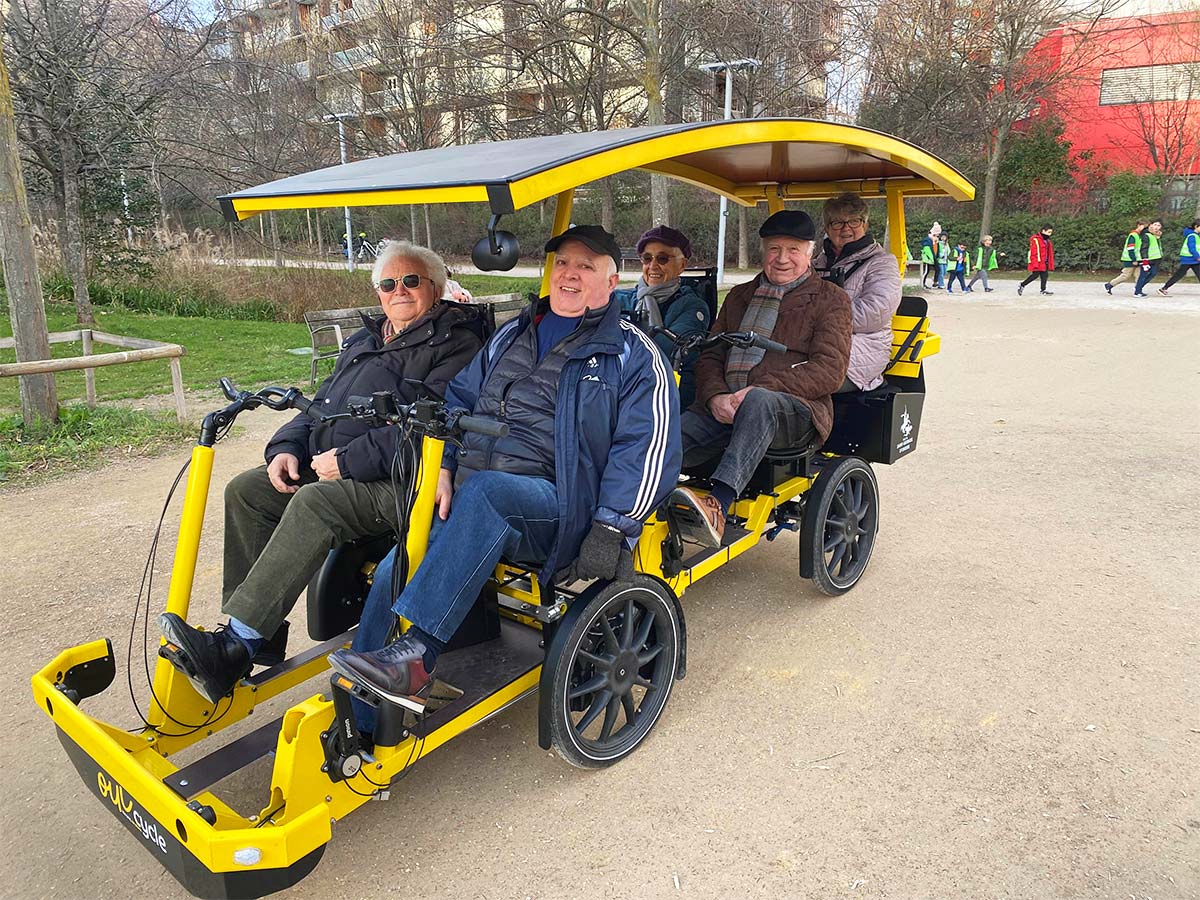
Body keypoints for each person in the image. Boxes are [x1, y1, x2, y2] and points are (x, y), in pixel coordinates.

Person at [327, 225, 681, 719]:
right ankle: (358, 713)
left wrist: (612, 527)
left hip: (560, 506)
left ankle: (419, 656)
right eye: (562, 264)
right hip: (474, 497)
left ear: (611, 279)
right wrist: (445, 468)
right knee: (397, 565)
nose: (570, 275)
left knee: (489, 493)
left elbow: (646, 449)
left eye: (585, 266)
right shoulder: (514, 334)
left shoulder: (633, 355)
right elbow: (456, 402)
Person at [157, 242, 485, 704]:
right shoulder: (366, 339)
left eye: (411, 281)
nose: (399, 291)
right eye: (389, 284)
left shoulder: (457, 344)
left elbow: (430, 424)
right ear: (378, 294)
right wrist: (287, 447)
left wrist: (348, 462)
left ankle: (236, 643)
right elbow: (321, 403)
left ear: (436, 288)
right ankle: (254, 636)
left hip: (403, 481)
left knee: (316, 502)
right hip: (337, 468)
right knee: (247, 491)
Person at [668, 210, 851, 548]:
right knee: (669, 438)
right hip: (724, 406)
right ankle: (637, 506)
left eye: (793, 249)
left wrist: (760, 389)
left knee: (759, 401)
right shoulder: (738, 296)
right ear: (762, 251)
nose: (782, 259)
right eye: (773, 249)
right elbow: (710, 354)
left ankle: (717, 506)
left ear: (810, 252)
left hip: (796, 413)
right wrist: (715, 397)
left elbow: (830, 369)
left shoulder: (831, 300)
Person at [811, 192, 901, 392]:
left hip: (862, 350)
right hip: (814, 345)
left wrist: (815, 320)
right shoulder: (816, 263)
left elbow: (874, 313)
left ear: (865, 225)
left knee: (798, 382)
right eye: (837, 223)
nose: (846, 229)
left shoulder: (882, 263)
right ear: (827, 228)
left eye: (854, 221)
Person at [613, 225, 711, 407]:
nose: (653, 266)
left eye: (663, 258)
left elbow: (663, 354)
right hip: (619, 392)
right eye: (647, 258)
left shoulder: (692, 306)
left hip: (669, 395)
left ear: (682, 265)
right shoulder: (620, 299)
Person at [1103, 220, 1148, 295]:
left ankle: (1138, 290)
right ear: (1139, 225)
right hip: (1130, 259)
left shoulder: (1139, 236)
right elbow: (1130, 248)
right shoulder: (1133, 235)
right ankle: (1110, 284)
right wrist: (1133, 259)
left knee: (1138, 275)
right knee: (1126, 275)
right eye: (1144, 226)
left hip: (1138, 259)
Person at [1158, 219, 1200, 296]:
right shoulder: (1192, 236)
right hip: (1189, 259)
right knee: (1178, 275)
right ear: (1196, 227)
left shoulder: (1196, 236)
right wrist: (1197, 257)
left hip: (1193, 260)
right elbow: (1192, 248)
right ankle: (1163, 288)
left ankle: (1164, 288)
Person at [1017, 225, 1055, 295]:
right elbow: (1034, 252)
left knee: (1045, 275)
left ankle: (1043, 290)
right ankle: (1022, 284)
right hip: (1038, 261)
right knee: (1035, 275)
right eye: (1049, 232)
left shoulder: (1047, 240)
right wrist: (1035, 263)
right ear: (1043, 231)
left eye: (1051, 232)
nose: (1050, 234)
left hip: (1044, 261)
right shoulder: (1035, 239)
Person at [1133, 220, 1163, 297]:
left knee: (1153, 273)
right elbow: (1144, 249)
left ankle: (1138, 288)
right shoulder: (1146, 235)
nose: (1156, 227)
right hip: (1146, 259)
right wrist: (1145, 261)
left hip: (1155, 259)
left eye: (1159, 225)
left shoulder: (1155, 236)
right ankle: (1137, 291)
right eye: (1155, 225)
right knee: (1143, 275)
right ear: (1150, 225)